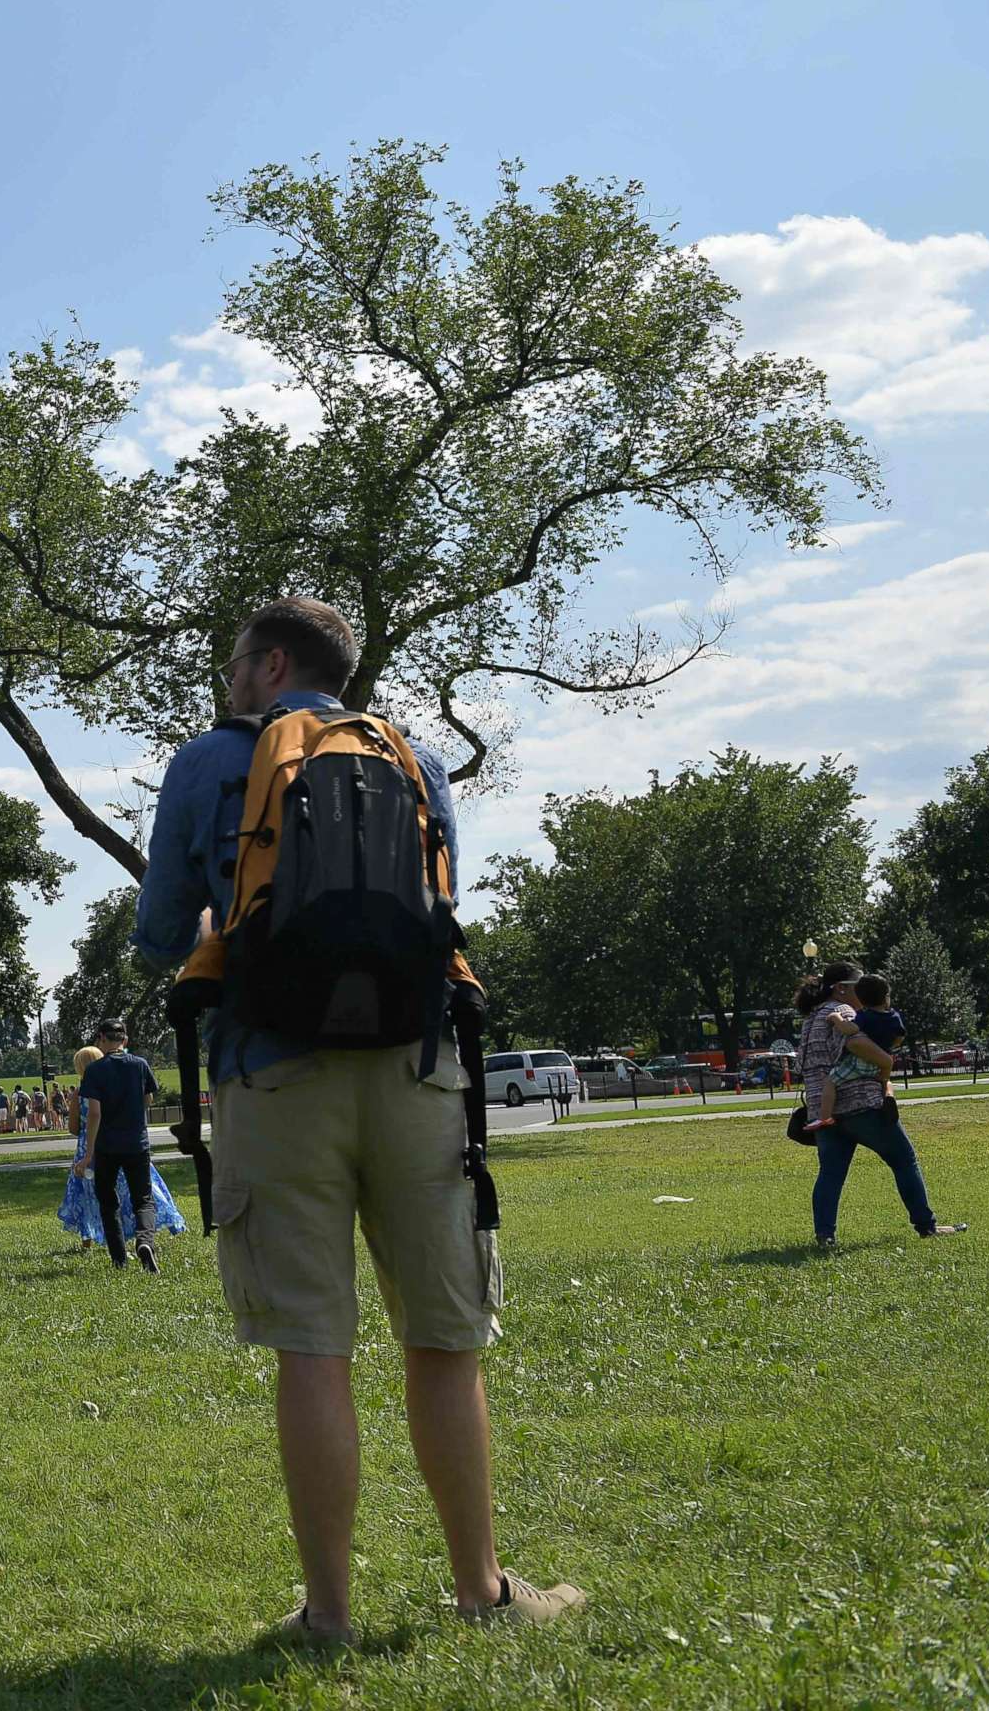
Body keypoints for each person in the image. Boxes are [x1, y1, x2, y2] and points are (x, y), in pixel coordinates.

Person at [134, 597, 582, 1642]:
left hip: (273, 1074)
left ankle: (328, 1612)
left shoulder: (209, 762)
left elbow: (161, 933)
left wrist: (216, 919)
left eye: (236, 664)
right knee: (444, 1341)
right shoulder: (411, 755)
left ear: (271, 663)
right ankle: (484, 1592)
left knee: (313, 1349)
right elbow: (440, 906)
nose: (229, 681)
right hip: (417, 1071)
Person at [798, 963, 965, 1247]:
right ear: (841, 989)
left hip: (823, 1111)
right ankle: (927, 1227)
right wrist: (886, 1062)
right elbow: (856, 1044)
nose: (863, 991)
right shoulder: (846, 1013)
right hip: (861, 1105)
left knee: (830, 1174)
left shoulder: (810, 1020)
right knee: (904, 1159)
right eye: (858, 985)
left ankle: (825, 1236)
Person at [71, 1019, 186, 1271]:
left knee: (108, 1202)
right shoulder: (140, 1065)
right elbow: (148, 1098)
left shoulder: (95, 1071)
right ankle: (145, 1242)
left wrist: (88, 1153)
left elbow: (94, 1113)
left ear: (101, 1038)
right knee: (143, 1199)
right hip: (136, 1143)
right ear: (125, 1040)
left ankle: (119, 1259)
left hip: (106, 1146)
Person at [810, 972, 904, 1132]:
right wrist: (889, 1047)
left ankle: (824, 1118)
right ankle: (888, 1096)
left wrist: (835, 1018)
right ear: (887, 996)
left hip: (861, 1062)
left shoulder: (864, 1015)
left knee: (830, 1082)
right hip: (881, 1061)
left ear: (860, 999)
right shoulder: (894, 1016)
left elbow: (849, 1029)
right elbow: (900, 1037)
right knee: (885, 1080)